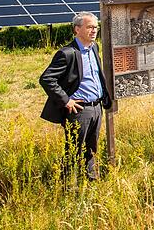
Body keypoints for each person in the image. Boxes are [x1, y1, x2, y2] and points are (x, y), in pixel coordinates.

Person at [39, 11, 112, 181]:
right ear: (77, 29)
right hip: (79, 110)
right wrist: (66, 101)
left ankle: (91, 182)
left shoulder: (94, 47)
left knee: (91, 149)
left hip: (96, 107)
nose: (94, 30)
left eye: (95, 27)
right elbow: (46, 79)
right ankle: (68, 187)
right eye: (89, 27)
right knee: (74, 151)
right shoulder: (67, 53)